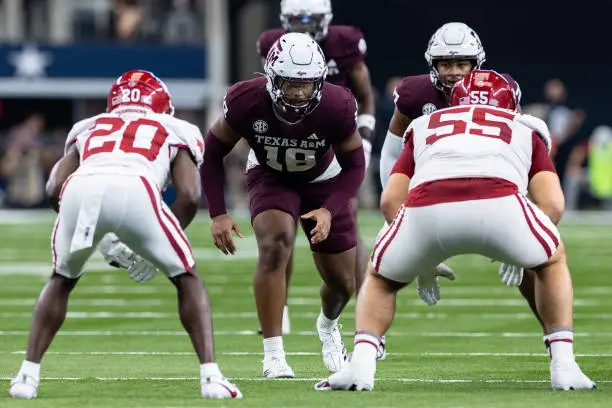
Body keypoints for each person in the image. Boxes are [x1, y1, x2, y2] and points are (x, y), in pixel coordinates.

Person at [315, 70, 596, 392]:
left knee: (380, 278)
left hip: (426, 207)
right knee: (551, 260)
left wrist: (419, 258)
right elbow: (554, 205)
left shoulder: (423, 125)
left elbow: (391, 200)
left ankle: (360, 368)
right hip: (501, 203)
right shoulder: (524, 127)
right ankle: (564, 366)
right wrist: (523, 250)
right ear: (511, 104)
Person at [8, 70, 242, 400]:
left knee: (61, 278)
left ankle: (26, 377)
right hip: (137, 186)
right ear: (161, 104)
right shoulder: (175, 128)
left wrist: (96, 235)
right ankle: (211, 377)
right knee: (186, 276)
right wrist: (153, 248)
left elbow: (52, 189)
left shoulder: (90, 126)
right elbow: (189, 195)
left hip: (80, 187)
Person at [376, 22, 556, 358]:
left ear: (477, 64)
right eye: (446, 63)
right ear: (433, 64)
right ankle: (371, 341)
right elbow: (391, 151)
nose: (454, 72)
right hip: (429, 185)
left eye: (462, 64)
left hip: (490, 183)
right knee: (381, 256)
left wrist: (524, 206)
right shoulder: (416, 94)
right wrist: (397, 207)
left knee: (535, 260)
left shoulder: (499, 90)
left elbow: (517, 152)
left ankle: (554, 338)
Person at [202, 33, 365, 378]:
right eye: (290, 84)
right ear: (272, 78)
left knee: (342, 283)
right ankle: (274, 355)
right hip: (270, 175)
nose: (298, 93)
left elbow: (355, 166)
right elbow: (213, 153)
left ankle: (328, 326)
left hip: (324, 179)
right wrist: (217, 212)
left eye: (305, 85)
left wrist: (329, 209)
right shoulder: (247, 99)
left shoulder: (337, 105)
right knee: (275, 245)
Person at [256, 0, 375, 336]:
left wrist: (363, 136)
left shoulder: (344, 44)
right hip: (288, 135)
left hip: (336, 136)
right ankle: (280, 307)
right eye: (297, 20)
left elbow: (365, 94)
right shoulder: (272, 46)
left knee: (343, 211)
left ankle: (365, 301)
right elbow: (266, 91)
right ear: (283, 21)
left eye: (311, 20)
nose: (304, 27)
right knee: (281, 225)